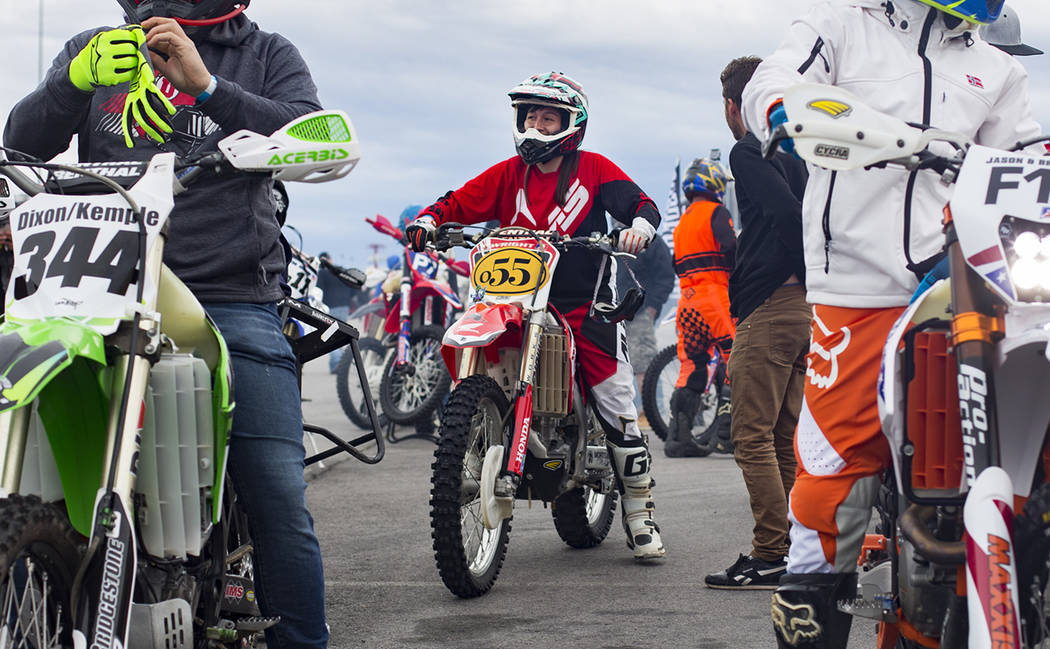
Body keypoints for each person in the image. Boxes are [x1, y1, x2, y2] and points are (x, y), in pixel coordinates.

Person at [3, 1, 341, 646]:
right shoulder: (96, 46)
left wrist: (209, 90)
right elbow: (22, 141)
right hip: (99, 286)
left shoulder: (265, 52)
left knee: (275, 496)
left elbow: (310, 131)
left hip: (227, 295)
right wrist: (70, 82)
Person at [742, 1, 1041, 646]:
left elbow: (1025, 158)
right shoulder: (842, 27)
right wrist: (780, 110)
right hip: (860, 285)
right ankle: (812, 621)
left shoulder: (997, 69)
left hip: (968, 278)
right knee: (834, 477)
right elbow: (771, 83)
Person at [405, 71, 666, 561]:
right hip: (511, 299)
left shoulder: (594, 169)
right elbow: (458, 201)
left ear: (571, 124)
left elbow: (641, 204)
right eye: (529, 115)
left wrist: (638, 228)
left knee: (616, 399)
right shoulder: (506, 174)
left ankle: (638, 510)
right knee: (477, 350)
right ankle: (482, 433)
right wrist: (429, 220)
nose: (536, 124)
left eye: (548, 117)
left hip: (583, 305)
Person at [702, 56, 810, 590]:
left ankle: (771, 552)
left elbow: (790, 216)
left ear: (733, 105)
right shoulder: (800, 152)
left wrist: (784, 273)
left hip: (771, 307)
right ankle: (792, 550)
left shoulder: (749, 151)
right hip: (804, 311)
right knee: (783, 436)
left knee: (750, 436)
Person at [664, 158, 736, 458]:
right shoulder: (716, 212)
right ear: (715, 184)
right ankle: (727, 436)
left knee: (692, 367)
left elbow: (674, 263)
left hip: (687, 300)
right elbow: (731, 247)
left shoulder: (683, 222)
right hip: (716, 297)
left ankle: (678, 439)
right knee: (736, 359)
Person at [617, 234, 674, 421]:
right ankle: (633, 412)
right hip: (615, 312)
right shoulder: (613, 238)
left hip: (640, 313)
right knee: (619, 365)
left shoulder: (652, 241)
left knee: (645, 363)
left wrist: (652, 307)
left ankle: (651, 414)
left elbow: (665, 276)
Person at [317, 251, 359, 372]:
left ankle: (337, 362)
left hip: (329, 307)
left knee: (331, 335)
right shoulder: (342, 271)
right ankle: (341, 362)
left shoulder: (322, 273)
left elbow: (318, 290)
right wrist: (347, 298)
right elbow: (354, 287)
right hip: (344, 307)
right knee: (340, 334)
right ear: (330, 259)